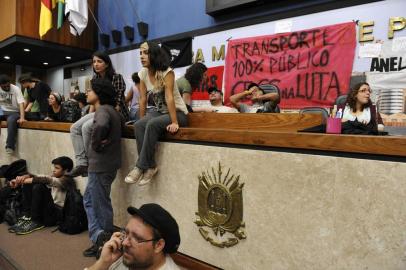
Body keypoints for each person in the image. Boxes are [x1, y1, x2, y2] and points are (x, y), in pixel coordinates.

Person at [124, 41, 188, 186]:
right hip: (160, 113)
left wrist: (174, 122)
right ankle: (151, 166)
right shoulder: (143, 73)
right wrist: (141, 120)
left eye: (145, 53)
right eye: (140, 53)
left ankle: (140, 167)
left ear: (153, 54)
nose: (141, 56)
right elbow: (142, 99)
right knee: (140, 125)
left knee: (152, 124)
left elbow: (169, 97)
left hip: (178, 113)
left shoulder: (166, 71)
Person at [82, 78, 124, 258]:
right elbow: (121, 125)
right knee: (90, 200)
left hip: (100, 166)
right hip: (106, 165)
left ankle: (105, 243)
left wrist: (96, 144)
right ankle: (99, 238)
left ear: (99, 93)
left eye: (90, 90)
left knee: (100, 205)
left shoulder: (102, 111)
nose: (87, 93)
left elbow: (100, 126)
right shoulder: (113, 111)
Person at [69, 51, 126, 177]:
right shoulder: (94, 79)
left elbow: (117, 101)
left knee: (86, 127)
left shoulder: (116, 77)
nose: (96, 64)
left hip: (115, 112)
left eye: (99, 61)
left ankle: (91, 160)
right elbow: (92, 103)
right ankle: (82, 163)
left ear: (107, 64)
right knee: (74, 128)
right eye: (94, 61)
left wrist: (94, 117)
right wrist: (87, 116)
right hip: (100, 111)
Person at [85, 203, 181, 270]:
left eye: (137, 238)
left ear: (158, 245)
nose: (124, 243)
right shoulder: (127, 258)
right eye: (126, 233)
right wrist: (102, 263)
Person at [8, 156, 75, 235]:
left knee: (39, 186)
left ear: (66, 170)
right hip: (48, 211)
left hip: (56, 216)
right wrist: (23, 178)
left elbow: (47, 180)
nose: (53, 170)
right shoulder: (55, 176)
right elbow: (39, 176)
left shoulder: (68, 180)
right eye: (54, 167)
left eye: (57, 168)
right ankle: (27, 216)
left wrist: (23, 180)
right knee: (28, 184)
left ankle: (35, 221)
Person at [0, 74, 26, 154]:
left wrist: (22, 117)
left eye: (8, 86)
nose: (7, 88)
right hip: (2, 111)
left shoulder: (15, 89)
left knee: (11, 121)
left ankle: (10, 146)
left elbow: (21, 103)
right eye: (4, 87)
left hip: (14, 112)